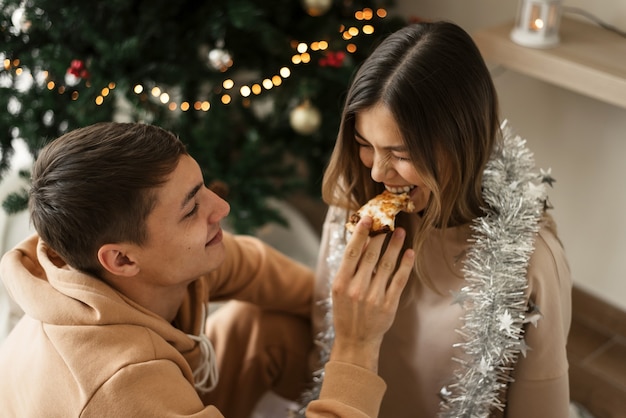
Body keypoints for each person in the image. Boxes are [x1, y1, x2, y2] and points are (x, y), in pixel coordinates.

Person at [0, 122, 414, 417]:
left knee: (263, 327)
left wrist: (348, 309)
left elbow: (252, 266)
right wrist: (357, 347)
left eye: (203, 190)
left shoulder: (127, 261)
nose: (222, 209)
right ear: (122, 259)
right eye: (191, 210)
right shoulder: (120, 386)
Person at [302, 21, 572, 418]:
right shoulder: (355, 207)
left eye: (403, 153)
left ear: (463, 142)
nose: (377, 172)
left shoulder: (531, 263)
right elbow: (322, 343)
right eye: (364, 144)